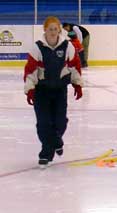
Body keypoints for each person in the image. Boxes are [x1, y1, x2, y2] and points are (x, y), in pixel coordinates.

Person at [24, 16, 83, 168]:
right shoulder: (37, 48)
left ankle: (56, 141)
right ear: (45, 30)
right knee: (44, 123)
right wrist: (30, 89)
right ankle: (46, 153)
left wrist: (77, 84)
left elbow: (74, 65)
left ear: (59, 30)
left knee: (60, 122)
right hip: (41, 91)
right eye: (50, 29)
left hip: (59, 91)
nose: (52, 32)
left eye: (55, 29)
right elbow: (30, 70)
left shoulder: (67, 46)